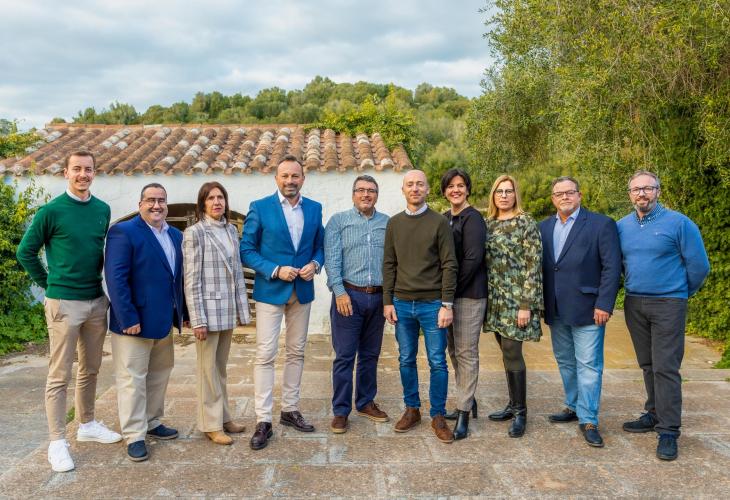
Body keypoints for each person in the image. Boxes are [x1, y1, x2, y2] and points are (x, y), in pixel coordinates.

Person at [16, 151, 121, 472]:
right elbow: (25, 252)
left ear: (94, 173)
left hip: (96, 301)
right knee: (59, 375)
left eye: (88, 169)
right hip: (64, 303)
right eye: (76, 169)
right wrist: (50, 284)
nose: (82, 174)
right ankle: (57, 442)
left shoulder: (102, 209)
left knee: (91, 368)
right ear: (66, 173)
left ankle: (87, 424)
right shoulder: (51, 211)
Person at [618, 170, 709, 461]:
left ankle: (668, 431)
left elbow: (699, 266)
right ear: (630, 194)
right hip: (634, 303)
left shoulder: (679, 223)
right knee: (647, 363)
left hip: (669, 303)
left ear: (658, 191)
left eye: (648, 188)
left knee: (666, 367)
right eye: (636, 189)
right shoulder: (622, 226)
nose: (641, 193)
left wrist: (679, 292)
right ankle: (654, 413)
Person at [240, 154, 325, 450]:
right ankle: (263, 419)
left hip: (302, 291)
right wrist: (275, 269)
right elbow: (246, 250)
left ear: (303, 178)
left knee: (296, 351)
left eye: (295, 176)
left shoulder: (314, 208)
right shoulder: (260, 207)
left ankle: (290, 409)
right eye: (285, 176)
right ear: (276, 178)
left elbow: (320, 246)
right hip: (271, 290)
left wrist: (315, 264)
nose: (290, 181)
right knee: (265, 354)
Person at [105, 183, 186, 462]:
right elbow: (115, 278)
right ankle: (134, 435)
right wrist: (127, 317)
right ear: (140, 204)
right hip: (134, 322)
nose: (156, 205)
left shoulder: (175, 235)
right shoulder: (123, 232)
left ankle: (152, 421)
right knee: (132, 378)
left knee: (159, 373)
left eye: (161, 200)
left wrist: (182, 313)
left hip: (163, 320)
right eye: (150, 200)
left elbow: (177, 278)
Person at [539, 176, 621, 447]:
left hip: (589, 308)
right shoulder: (543, 227)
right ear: (553, 199)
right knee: (565, 361)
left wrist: (604, 303)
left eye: (570, 192)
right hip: (555, 307)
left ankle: (589, 419)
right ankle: (573, 405)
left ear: (579, 195)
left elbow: (612, 267)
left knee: (588, 365)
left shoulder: (601, 224)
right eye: (559, 193)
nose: (564, 197)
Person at [382, 169, 458, 444]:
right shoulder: (394, 223)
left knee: (437, 361)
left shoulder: (439, 222)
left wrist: (446, 304)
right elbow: (389, 264)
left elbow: (449, 264)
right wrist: (387, 301)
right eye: (410, 184)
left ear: (427, 189)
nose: (415, 188)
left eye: (420, 184)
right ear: (403, 190)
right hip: (401, 304)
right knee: (406, 359)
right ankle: (412, 409)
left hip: (432, 304)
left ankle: (437, 415)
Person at [183, 182, 252, 446]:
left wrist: (241, 310)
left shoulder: (231, 230)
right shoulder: (195, 233)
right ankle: (210, 424)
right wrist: (197, 319)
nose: (216, 202)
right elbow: (191, 280)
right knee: (207, 371)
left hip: (227, 311)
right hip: (207, 313)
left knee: (220, 368)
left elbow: (236, 273)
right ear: (202, 203)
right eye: (211, 198)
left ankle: (224, 417)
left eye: (220, 197)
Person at [324, 175, 390, 434]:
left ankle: (365, 402)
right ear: (353, 194)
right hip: (349, 296)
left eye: (371, 190)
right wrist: (340, 293)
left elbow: (392, 262)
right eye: (361, 190)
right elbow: (332, 260)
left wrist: (389, 297)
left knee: (370, 355)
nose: (366, 194)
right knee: (344, 356)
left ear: (376, 195)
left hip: (378, 297)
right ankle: (341, 411)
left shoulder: (387, 223)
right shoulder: (338, 222)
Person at [484, 174, 542, 438]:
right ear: (493, 195)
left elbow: (533, 264)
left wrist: (526, 304)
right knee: (504, 351)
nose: (504, 195)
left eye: (508, 191)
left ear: (515, 194)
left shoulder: (525, 222)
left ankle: (520, 412)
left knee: (512, 350)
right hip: (495, 299)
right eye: (500, 191)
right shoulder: (489, 223)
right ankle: (512, 403)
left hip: (517, 299)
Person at [440, 168, 488, 440]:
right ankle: (467, 398)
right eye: (450, 186)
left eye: (460, 185)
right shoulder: (445, 218)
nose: (455, 190)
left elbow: (472, 259)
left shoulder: (473, 218)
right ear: (444, 191)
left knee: (467, 352)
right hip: (448, 297)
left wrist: (450, 293)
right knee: (453, 351)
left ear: (468, 189)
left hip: (469, 295)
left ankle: (463, 414)